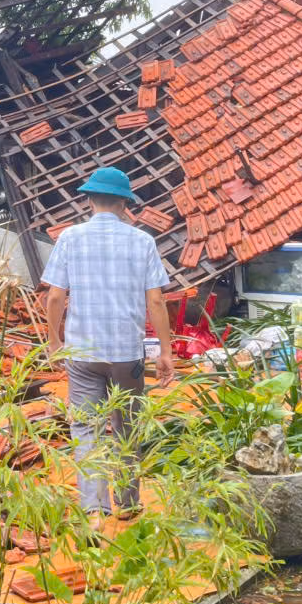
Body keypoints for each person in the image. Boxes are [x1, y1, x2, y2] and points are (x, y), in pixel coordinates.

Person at [40, 166, 175, 523]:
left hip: (83, 353)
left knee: (88, 429)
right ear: (124, 204)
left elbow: (55, 297)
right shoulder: (142, 241)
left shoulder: (70, 238)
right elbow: (156, 300)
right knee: (127, 426)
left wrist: (55, 341)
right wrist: (166, 351)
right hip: (127, 354)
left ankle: (94, 508)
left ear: (89, 201)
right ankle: (128, 504)